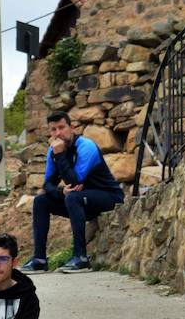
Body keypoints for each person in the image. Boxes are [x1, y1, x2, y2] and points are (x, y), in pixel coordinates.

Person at [20, 111, 124, 275]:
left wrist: (60, 155)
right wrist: (61, 191)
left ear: (72, 127)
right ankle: (39, 259)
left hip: (108, 197)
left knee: (73, 197)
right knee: (40, 201)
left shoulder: (86, 146)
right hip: (81, 201)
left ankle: (81, 258)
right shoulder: (53, 151)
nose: (58, 133)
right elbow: (47, 185)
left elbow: (74, 181)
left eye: (61, 128)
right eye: (53, 130)